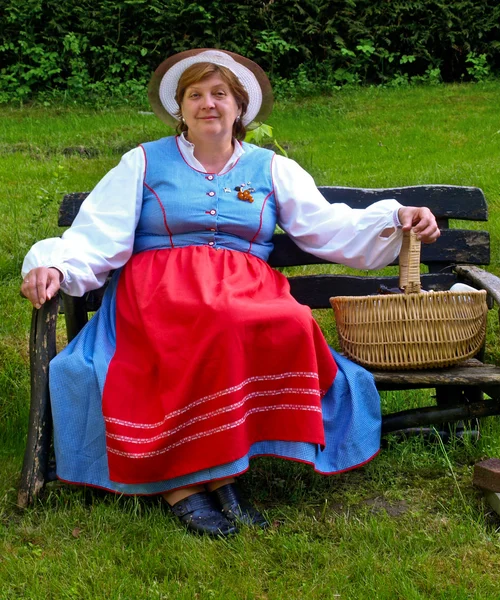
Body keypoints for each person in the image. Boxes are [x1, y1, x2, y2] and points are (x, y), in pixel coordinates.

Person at [21, 49, 440, 537]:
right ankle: (198, 484)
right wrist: (55, 262)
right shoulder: (142, 161)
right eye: (195, 95)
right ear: (181, 109)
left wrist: (394, 217)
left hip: (247, 292)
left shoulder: (271, 168)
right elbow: (100, 232)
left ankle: (216, 470)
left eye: (219, 94)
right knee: (211, 322)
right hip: (157, 296)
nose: (208, 104)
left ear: (239, 107)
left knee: (290, 321)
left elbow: (328, 225)